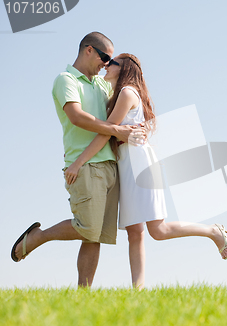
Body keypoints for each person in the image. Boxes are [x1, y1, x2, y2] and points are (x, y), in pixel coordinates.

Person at [63, 53, 227, 290]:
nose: (106, 65)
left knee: (158, 230)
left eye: (112, 63)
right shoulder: (119, 93)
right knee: (135, 231)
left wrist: (78, 162)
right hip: (127, 162)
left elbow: (106, 132)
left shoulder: (126, 92)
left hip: (138, 164)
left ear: (124, 69)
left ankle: (212, 231)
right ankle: (138, 290)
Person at [10, 32, 145, 288]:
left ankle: (82, 295)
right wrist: (117, 131)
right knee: (87, 227)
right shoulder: (66, 80)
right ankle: (38, 237)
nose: (106, 63)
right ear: (88, 50)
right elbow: (77, 117)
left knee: (94, 237)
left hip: (110, 164)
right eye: (105, 57)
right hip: (84, 165)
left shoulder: (102, 84)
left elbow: (126, 101)